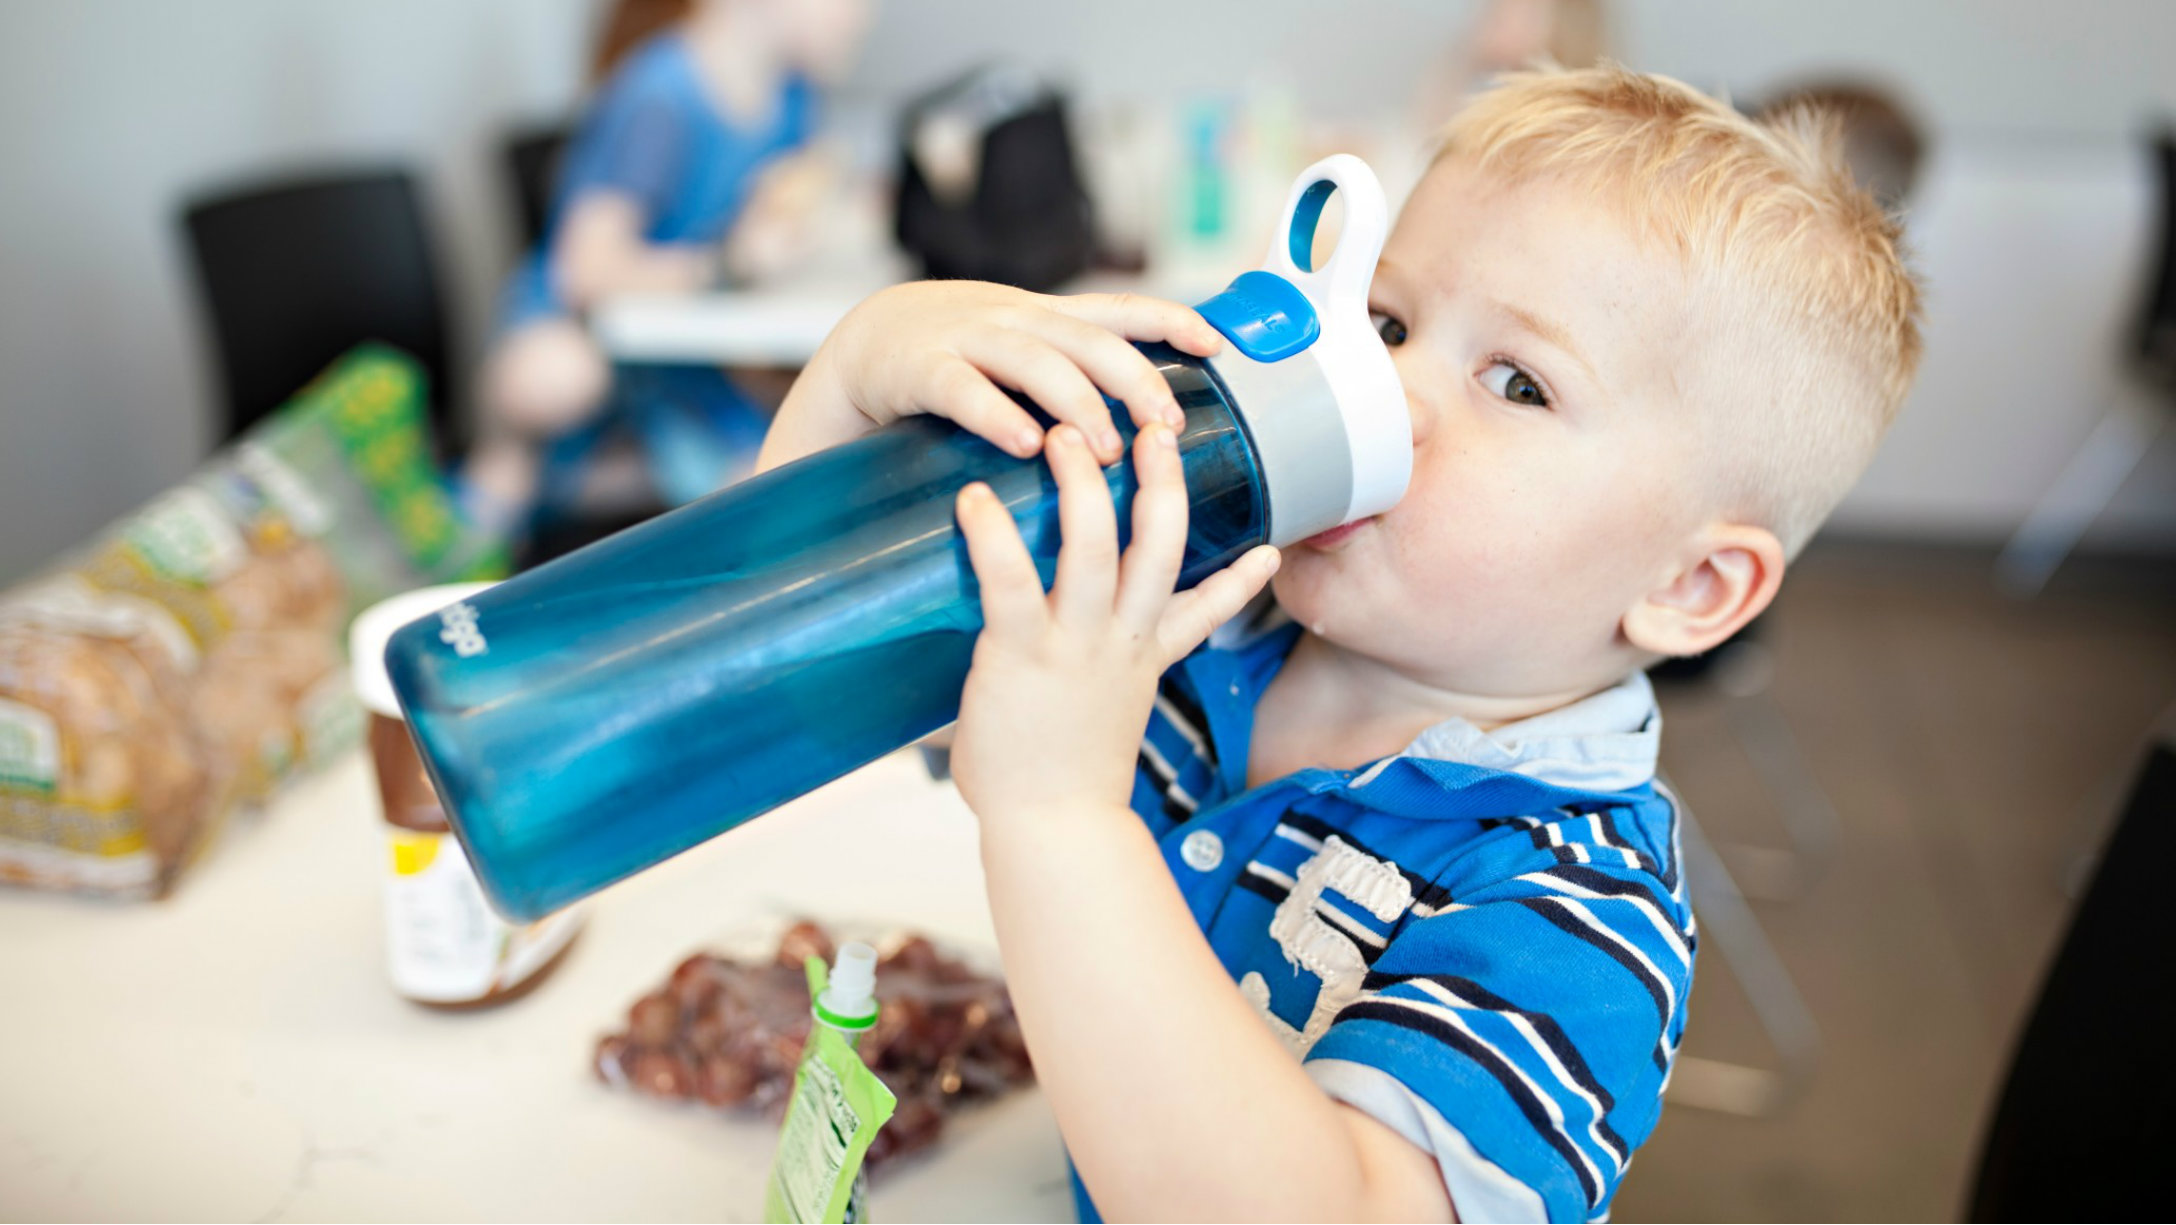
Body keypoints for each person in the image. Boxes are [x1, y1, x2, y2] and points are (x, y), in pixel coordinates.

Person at [756, 64, 1922, 1222]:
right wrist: (857, 375)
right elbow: (806, 676)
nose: (1378, 388)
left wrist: (1062, 815)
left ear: (1690, 585)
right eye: (1387, 322)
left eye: (1517, 382)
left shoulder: (1573, 910)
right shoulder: (1192, 617)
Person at [463, 0, 870, 540]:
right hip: (596, 342)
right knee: (556, 379)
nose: (863, 16)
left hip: (684, 348)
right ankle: (511, 486)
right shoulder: (661, 97)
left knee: (794, 461)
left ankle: (597, 480)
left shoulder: (791, 99)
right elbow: (584, 272)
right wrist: (730, 264)